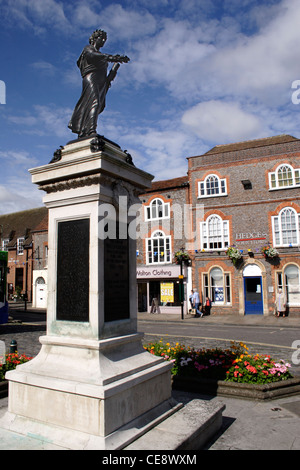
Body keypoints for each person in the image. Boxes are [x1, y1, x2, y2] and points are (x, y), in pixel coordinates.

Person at [68, 29, 130, 138]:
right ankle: (91, 130)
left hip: (101, 82)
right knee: (94, 101)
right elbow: (92, 55)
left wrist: (115, 68)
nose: (104, 41)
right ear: (95, 38)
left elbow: (108, 79)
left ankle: (86, 129)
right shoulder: (88, 49)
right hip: (91, 78)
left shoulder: (101, 56)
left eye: (105, 39)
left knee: (98, 103)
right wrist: (112, 57)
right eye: (102, 38)